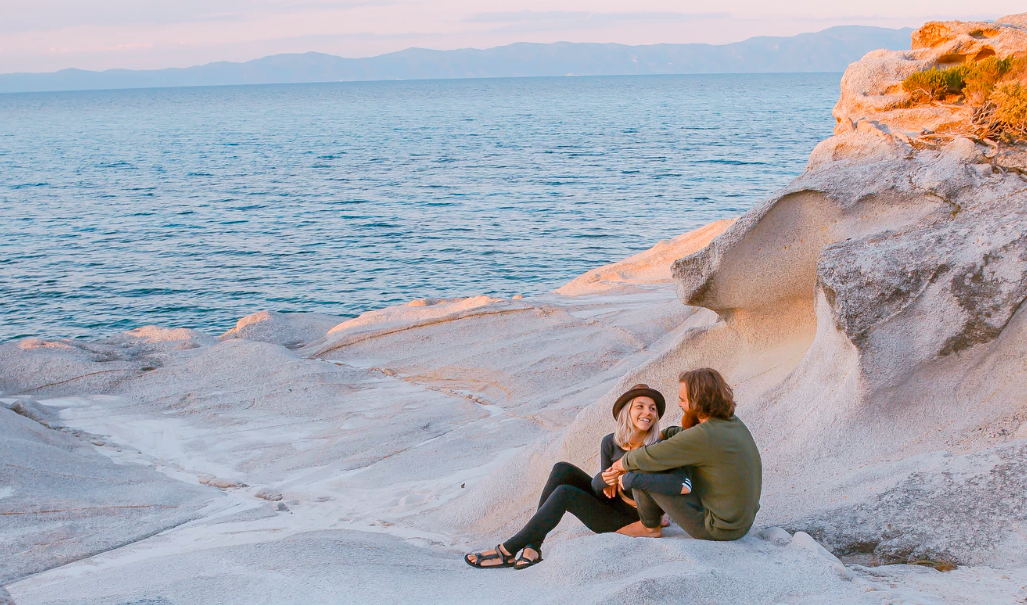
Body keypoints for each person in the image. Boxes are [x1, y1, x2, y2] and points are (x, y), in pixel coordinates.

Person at [465, 384, 691, 570]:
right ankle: (533, 546)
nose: (648, 413)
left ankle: (507, 550)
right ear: (627, 412)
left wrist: (628, 479)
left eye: (652, 409)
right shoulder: (610, 442)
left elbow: (668, 485)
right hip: (612, 505)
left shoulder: (659, 447)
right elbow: (600, 490)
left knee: (565, 494)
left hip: (631, 517)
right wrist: (606, 480)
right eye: (640, 406)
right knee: (562, 468)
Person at [603, 368, 762, 541]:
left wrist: (620, 464)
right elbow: (684, 434)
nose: (679, 404)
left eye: (682, 399)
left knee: (642, 466)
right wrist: (664, 434)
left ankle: (649, 527)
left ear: (697, 401)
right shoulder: (730, 423)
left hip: (718, 528)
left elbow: (650, 456)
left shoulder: (703, 436)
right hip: (740, 522)